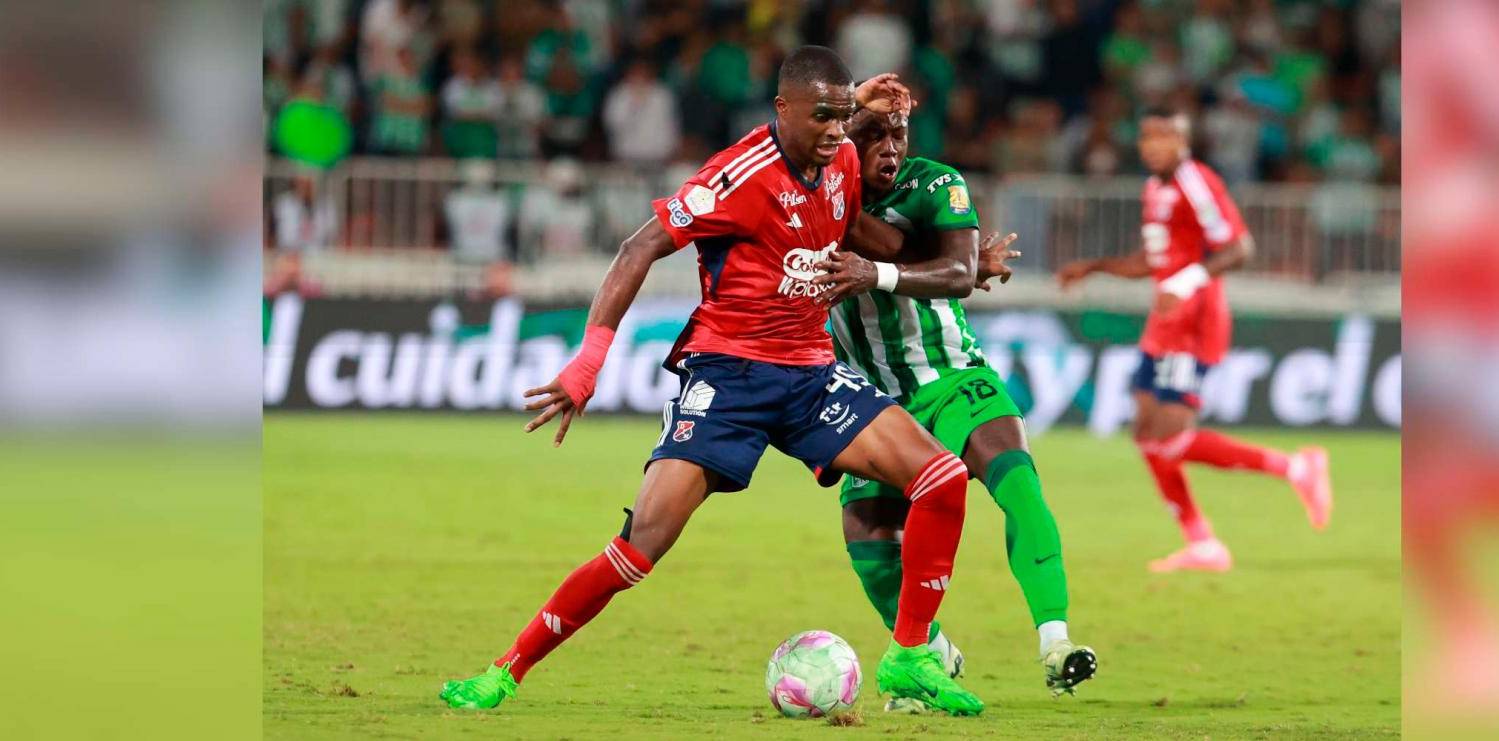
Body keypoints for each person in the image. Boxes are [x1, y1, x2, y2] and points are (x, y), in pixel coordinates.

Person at [438, 47, 985, 716]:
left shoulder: (841, 154)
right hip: (730, 378)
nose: (835, 132)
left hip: (811, 373)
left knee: (941, 477)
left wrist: (960, 259)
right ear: (781, 109)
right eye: (821, 116)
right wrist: (590, 358)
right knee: (641, 546)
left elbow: (877, 238)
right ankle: (504, 671)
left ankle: (909, 655)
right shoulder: (737, 176)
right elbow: (639, 247)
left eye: (842, 117)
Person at [805, 103, 1097, 702]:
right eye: (872, 134)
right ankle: (932, 652)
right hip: (874, 399)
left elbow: (959, 273)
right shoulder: (816, 196)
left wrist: (879, 274)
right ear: (841, 140)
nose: (890, 146)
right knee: (869, 544)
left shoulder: (936, 183)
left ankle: (1056, 642)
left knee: (1019, 485)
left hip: (951, 375)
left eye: (898, 133)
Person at [1055, 109, 1334, 573]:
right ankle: (1202, 543)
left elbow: (1239, 248)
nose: (1152, 145)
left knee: (1171, 437)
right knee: (1146, 434)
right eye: (1146, 136)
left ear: (1184, 142)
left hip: (1193, 321)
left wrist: (1185, 283)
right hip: (1163, 323)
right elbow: (1154, 259)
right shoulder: (1154, 188)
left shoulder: (1197, 182)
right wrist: (1095, 266)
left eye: (1163, 136)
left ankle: (1295, 469)